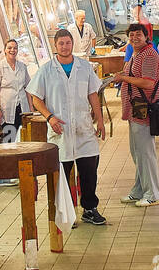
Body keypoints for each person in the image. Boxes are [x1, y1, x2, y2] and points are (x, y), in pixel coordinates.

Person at [28, 28, 107, 226]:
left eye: (68, 43)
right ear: (55, 46)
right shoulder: (46, 70)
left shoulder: (84, 67)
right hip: (60, 130)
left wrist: (101, 121)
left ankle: (89, 208)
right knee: (61, 172)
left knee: (89, 169)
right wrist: (50, 117)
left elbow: (92, 95)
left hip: (83, 128)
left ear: (73, 44)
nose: (65, 46)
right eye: (61, 43)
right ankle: (64, 211)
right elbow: (36, 97)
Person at [114, 22, 159, 207]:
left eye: (138, 35)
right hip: (134, 110)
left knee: (145, 153)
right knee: (137, 152)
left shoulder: (149, 54)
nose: (134, 38)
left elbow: (149, 83)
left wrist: (123, 78)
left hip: (144, 110)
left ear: (146, 36)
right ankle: (139, 189)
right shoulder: (136, 53)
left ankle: (153, 194)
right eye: (131, 35)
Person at [0, 38, 31, 145]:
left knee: (24, 139)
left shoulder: (22, 66)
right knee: (10, 139)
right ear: (4, 50)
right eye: (9, 48)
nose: (12, 50)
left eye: (15, 48)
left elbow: (28, 88)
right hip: (7, 109)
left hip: (23, 107)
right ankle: (10, 161)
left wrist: (31, 109)